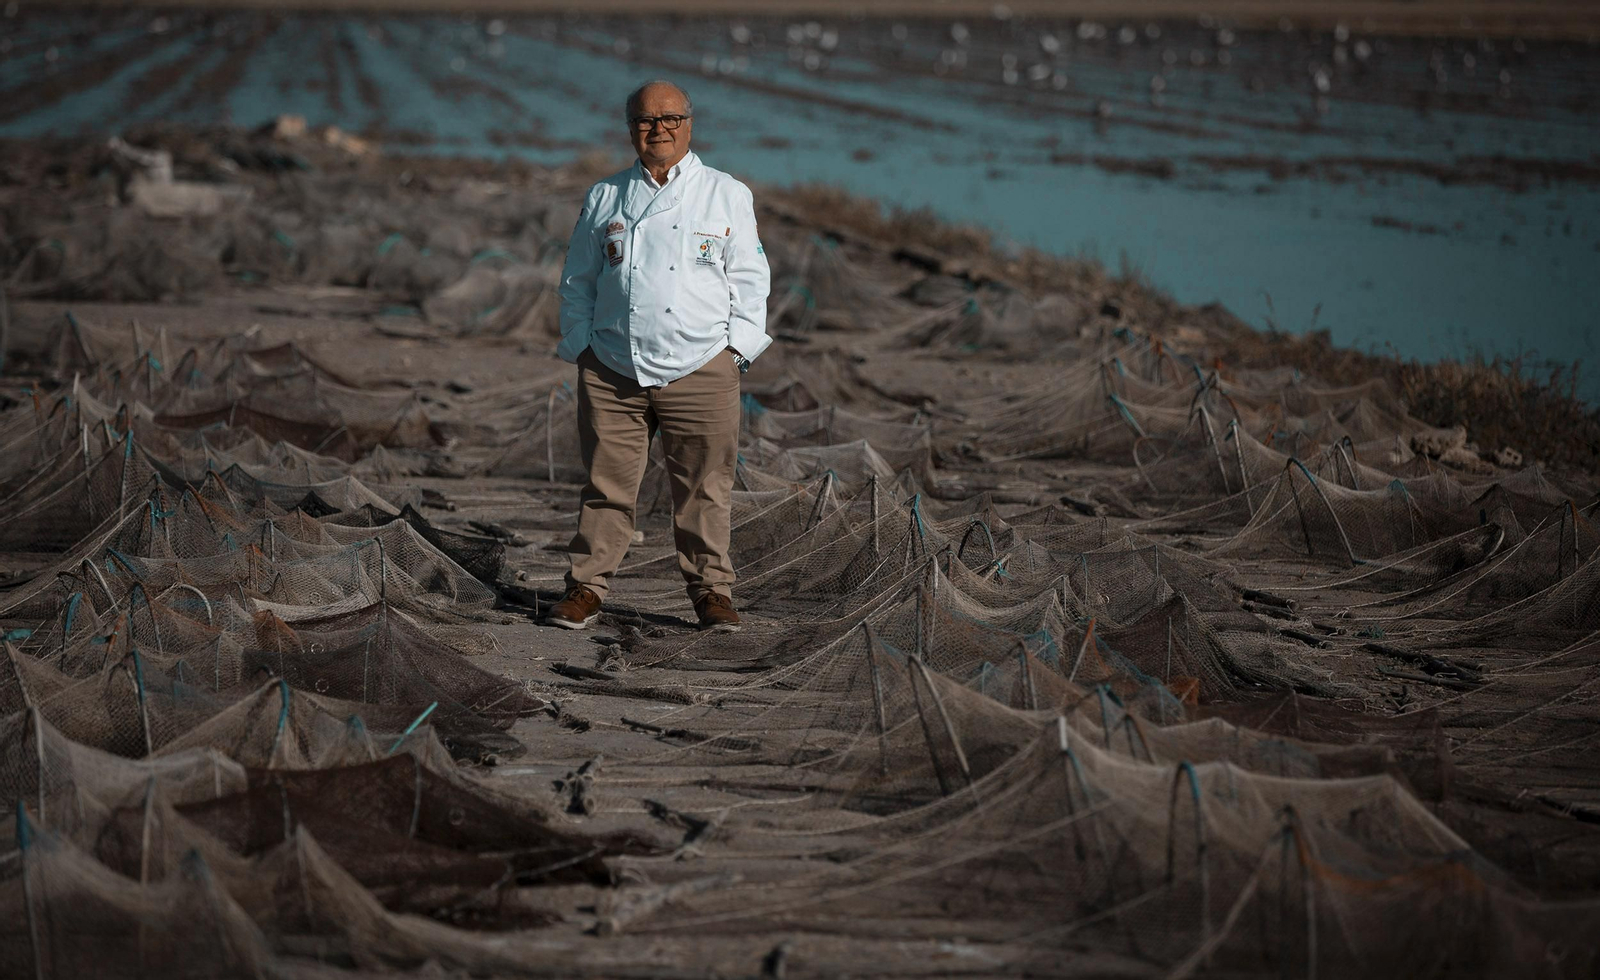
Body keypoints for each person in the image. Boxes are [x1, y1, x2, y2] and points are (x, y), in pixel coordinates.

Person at [545, 80, 771, 633]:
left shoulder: (726, 193)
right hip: (612, 368)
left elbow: (751, 281)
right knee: (606, 486)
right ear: (631, 130)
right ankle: (586, 587)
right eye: (646, 120)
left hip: (702, 365)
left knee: (705, 487)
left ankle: (712, 593)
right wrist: (582, 347)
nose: (659, 129)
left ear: (689, 124)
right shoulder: (605, 196)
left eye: (670, 119)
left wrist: (735, 354)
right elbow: (577, 281)